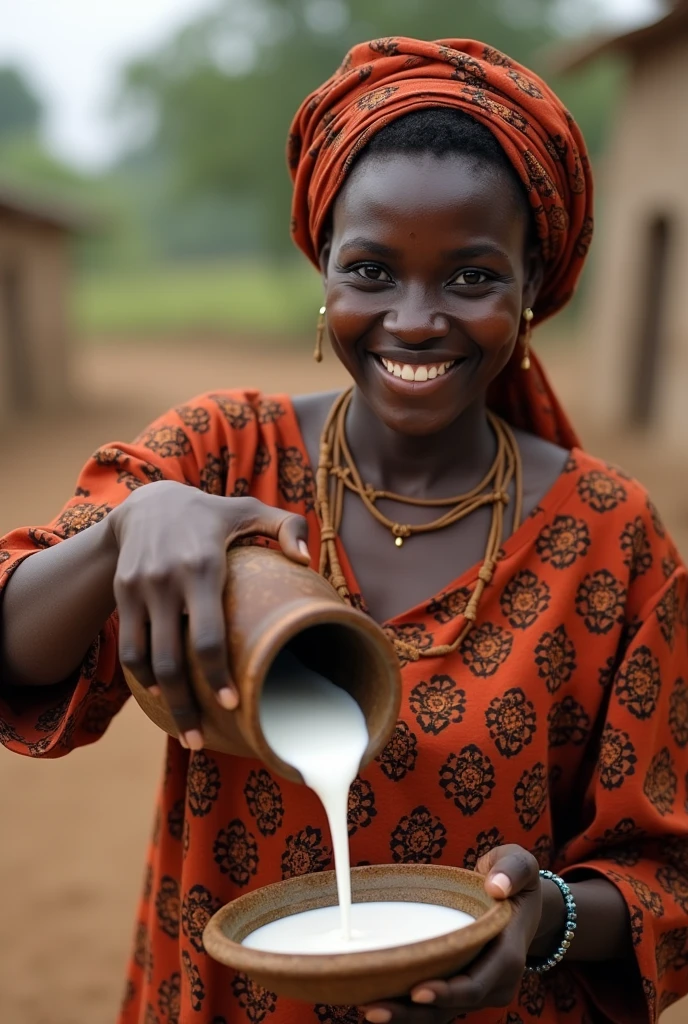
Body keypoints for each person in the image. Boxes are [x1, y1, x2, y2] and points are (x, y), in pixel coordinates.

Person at [1, 35, 687, 1024]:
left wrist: (543, 920)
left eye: (470, 276)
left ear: (531, 287)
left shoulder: (609, 539)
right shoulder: (217, 457)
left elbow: (666, 868)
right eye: (370, 269)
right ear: (322, 270)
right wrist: (125, 534)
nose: (413, 319)